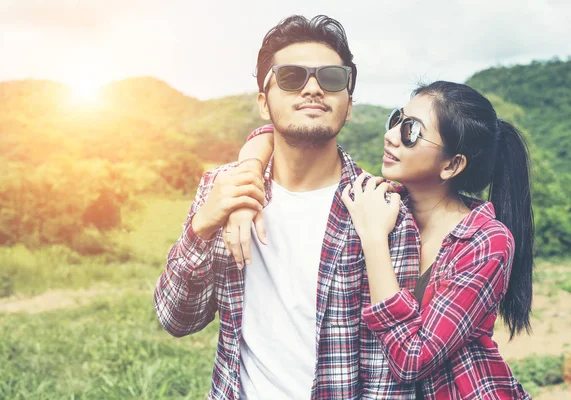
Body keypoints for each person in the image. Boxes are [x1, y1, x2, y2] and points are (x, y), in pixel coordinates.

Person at [154, 15, 418, 400]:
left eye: (331, 78)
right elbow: (177, 318)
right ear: (264, 103)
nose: (313, 88)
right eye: (292, 77)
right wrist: (201, 227)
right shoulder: (223, 188)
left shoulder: (382, 210)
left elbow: (386, 378)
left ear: (349, 105)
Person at [340, 81, 534, 399]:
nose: (390, 136)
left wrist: (373, 239)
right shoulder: (382, 206)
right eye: (396, 120)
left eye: (411, 132)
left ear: (452, 164)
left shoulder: (487, 242)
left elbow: (412, 360)